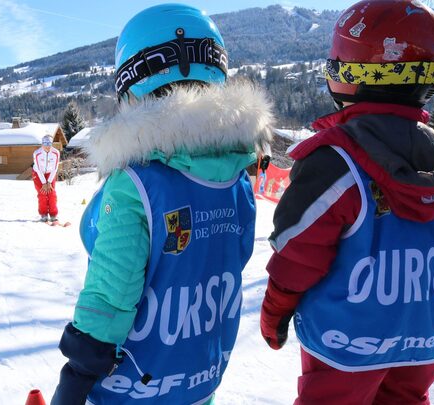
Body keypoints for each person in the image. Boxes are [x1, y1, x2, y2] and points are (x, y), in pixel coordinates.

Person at [51, 4, 272, 404]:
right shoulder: (236, 175)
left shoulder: (134, 183)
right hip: (200, 374)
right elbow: (229, 262)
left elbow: (112, 292)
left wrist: (79, 368)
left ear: (130, 82)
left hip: (135, 383)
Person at [259, 1, 434, 403]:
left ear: (346, 70)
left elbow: (296, 253)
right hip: (419, 342)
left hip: (346, 347)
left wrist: (275, 311)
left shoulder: (334, 164)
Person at [32, 135, 60, 222]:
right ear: (42, 144)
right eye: (45, 143)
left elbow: (55, 168)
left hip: (50, 174)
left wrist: (49, 182)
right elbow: (38, 168)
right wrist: (44, 183)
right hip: (38, 173)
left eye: (49, 143)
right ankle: (43, 214)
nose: (47, 146)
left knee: (51, 193)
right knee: (42, 192)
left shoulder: (56, 153)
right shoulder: (37, 153)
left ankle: (53, 214)